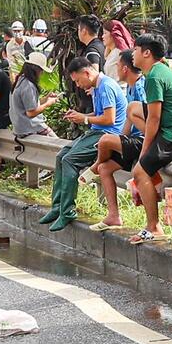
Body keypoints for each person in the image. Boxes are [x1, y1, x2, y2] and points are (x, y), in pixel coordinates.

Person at [42, 54, 126, 232]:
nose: (78, 85)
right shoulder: (97, 87)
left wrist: (85, 120)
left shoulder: (106, 86)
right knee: (61, 156)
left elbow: (109, 119)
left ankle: (67, 210)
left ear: (87, 73)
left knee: (69, 160)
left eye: (78, 81)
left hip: (107, 135)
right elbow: (99, 115)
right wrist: (81, 117)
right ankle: (57, 207)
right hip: (96, 131)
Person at [128, 35, 172, 244]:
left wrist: (144, 153)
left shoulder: (154, 77)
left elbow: (154, 118)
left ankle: (153, 226)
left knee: (139, 172)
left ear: (146, 53)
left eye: (135, 49)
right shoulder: (160, 70)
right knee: (133, 109)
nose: (132, 54)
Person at [92, 49, 145, 228]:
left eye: (118, 64)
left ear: (124, 69)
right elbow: (128, 126)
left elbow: (151, 118)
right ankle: (113, 215)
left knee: (105, 141)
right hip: (133, 140)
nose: (115, 67)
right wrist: (121, 138)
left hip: (145, 141)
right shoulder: (130, 88)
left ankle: (93, 167)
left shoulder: (141, 86)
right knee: (105, 169)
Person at [9, 50, 56, 141]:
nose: (42, 73)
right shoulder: (28, 85)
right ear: (36, 69)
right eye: (41, 70)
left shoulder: (20, 81)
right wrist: (48, 104)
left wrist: (46, 99)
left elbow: (29, 104)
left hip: (20, 128)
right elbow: (31, 113)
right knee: (59, 145)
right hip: (30, 128)